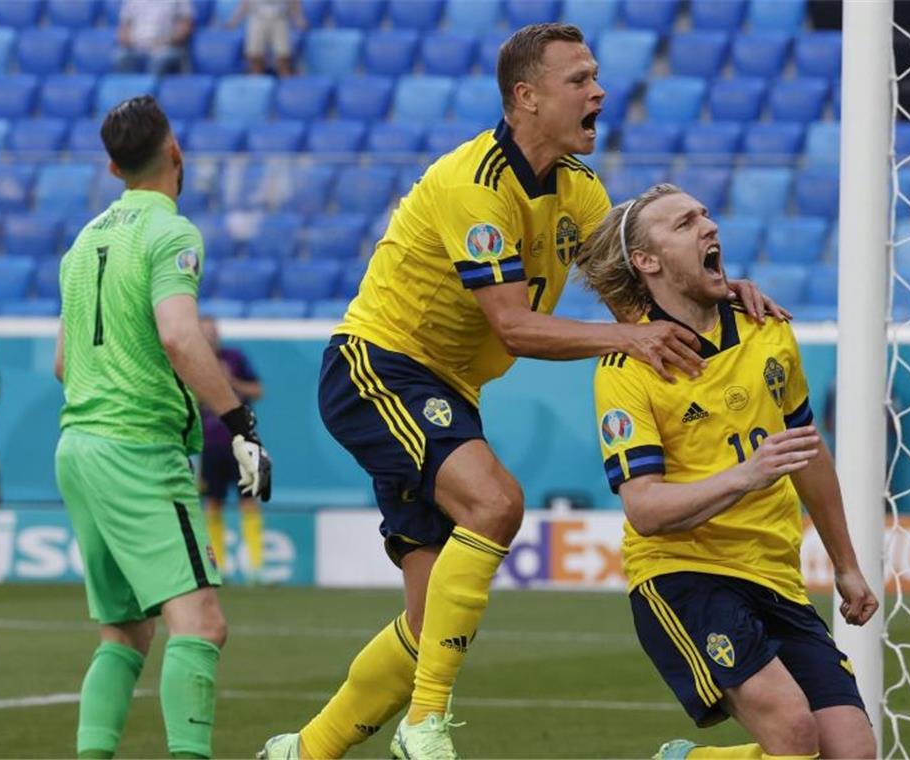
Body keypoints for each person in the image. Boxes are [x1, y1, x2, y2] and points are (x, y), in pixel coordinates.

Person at [258, 23, 785, 760]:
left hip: (444, 389)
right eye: (580, 79)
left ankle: (303, 753)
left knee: (426, 619)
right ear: (526, 98)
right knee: (497, 503)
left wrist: (717, 290)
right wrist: (627, 338)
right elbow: (514, 326)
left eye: (597, 75)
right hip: (378, 367)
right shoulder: (474, 187)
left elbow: (639, 294)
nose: (600, 90)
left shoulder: (580, 189)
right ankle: (424, 725)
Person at [578, 183, 878, 760]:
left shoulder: (769, 329)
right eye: (685, 223)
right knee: (793, 732)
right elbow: (644, 509)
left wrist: (846, 565)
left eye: (707, 215)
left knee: (853, 753)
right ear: (647, 261)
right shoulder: (627, 369)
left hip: (774, 575)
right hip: (683, 574)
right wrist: (746, 475)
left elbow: (807, 453)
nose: (709, 226)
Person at [54, 95, 272, 760]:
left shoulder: (83, 239)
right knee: (201, 624)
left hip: (78, 448)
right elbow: (180, 336)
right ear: (175, 153)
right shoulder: (172, 232)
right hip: (137, 450)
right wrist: (240, 423)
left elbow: (65, 362)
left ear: (113, 165)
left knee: (124, 634)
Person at [198, 316, 266, 583]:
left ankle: (256, 568)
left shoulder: (235, 358)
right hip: (210, 445)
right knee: (213, 503)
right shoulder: (193, 362)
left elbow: (257, 390)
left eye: (212, 332)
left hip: (241, 442)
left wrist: (231, 382)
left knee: (248, 501)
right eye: (204, 332)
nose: (210, 337)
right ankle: (219, 567)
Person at [226, 0, 307, 77]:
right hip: (257, 16)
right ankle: (257, 85)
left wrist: (298, 17)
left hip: (280, 16)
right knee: (255, 56)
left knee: (283, 56)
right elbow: (245, 2)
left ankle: (287, 85)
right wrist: (235, 19)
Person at [114, 0, 194, 76]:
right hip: (137, 47)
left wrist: (165, 42)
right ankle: (130, 90)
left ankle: (150, 90)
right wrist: (135, 43)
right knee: (120, 56)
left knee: (159, 59)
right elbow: (123, 30)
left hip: (167, 46)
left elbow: (185, 26)